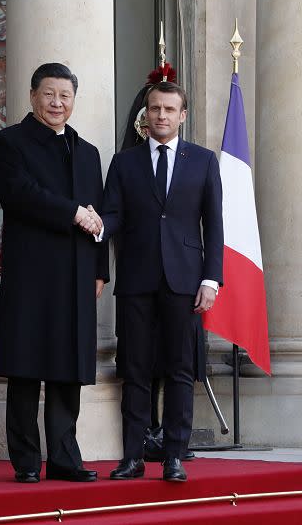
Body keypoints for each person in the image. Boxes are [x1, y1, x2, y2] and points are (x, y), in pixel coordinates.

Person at [0, 63, 109, 483]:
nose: (57, 103)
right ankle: (25, 461)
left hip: (77, 272)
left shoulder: (88, 152)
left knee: (67, 368)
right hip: (31, 271)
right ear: (32, 96)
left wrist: (100, 270)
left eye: (65, 96)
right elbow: (21, 195)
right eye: (49, 94)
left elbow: (99, 215)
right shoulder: (8, 143)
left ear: (73, 100)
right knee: (25, 366)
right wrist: (73, 213)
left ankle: (64, 458)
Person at [100, 81, 223, 482]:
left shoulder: (203, 161)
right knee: (134, 370)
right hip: (136, 278)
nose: (162, 116)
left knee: (179, 370)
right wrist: (97, 224)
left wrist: (212, 279)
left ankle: (174, 456)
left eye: (170, 109)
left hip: (186, 280)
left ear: (182, 115)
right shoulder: (124, 162)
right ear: (146, 114)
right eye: (155, 109)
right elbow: (113, 216)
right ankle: (132, 456)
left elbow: (215, 225)